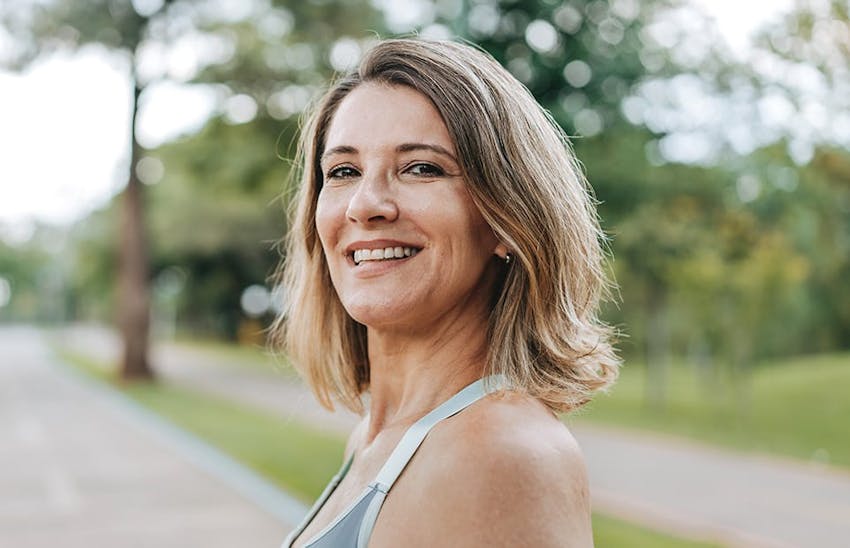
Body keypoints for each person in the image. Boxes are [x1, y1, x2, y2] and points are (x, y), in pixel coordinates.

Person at [272, 38, 619, 548]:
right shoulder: (376, 438)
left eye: (421, 168)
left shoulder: (501, 453)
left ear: (505, 219)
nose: (366, 205)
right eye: (343, 171)